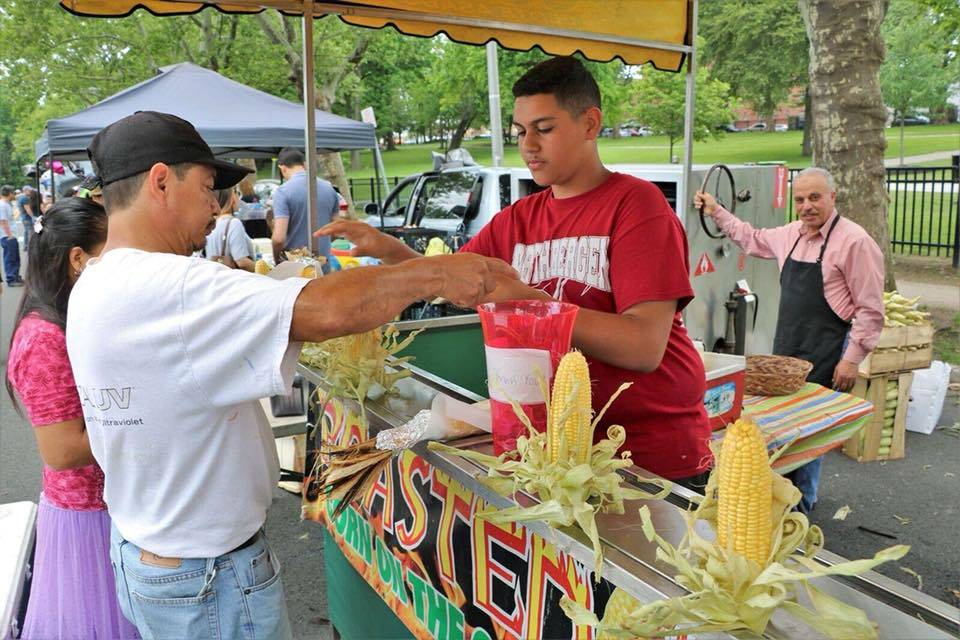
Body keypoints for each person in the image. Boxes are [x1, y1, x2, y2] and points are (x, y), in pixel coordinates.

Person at [67, 111, 515, 640]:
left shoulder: (96, 281)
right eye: (208, 187)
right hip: (207, 580)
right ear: (161, 181)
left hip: (148, 553)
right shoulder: (173, 286)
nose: (216, 205)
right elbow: (324, 312)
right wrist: (435, 272)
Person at [318, 56, 712, 487]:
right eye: (521, 131)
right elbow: (450, 279)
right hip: (556, 458)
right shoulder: (517, 219)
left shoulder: (637, 206)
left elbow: (643, 346)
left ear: (590, 124)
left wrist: (530, 303)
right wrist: (388, 249)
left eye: (544, 129)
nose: (529, 145)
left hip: (650, 456)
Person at [694, 166, 885, 513]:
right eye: (799, 199)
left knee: (810, 428)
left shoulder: (855, 242)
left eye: (815, 197)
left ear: (832, 197)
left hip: (828, 348)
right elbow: (750, 238)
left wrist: (852, 358)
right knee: (785, 425)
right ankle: (780, 498)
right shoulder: (791, 234)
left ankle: (802, 504)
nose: (807, 206)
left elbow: (870, 309)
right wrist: (716, 211)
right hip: (788, 345)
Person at [6, 197, 139, 640]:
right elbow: (61, 451)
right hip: (87, 520)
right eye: (112, 253)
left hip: (104, 509)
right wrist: (148, 417)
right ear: (78, 259)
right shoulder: (44, 337)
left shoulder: (69, 318)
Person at [272, 147, 338, 269]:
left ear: (282, 167)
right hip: (323, 267)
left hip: (295, 270)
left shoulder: (283, 192)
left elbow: (279, 238)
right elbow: (336, 230)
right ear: (304, 164)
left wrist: (277, 261)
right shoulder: (329, 189)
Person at [206, 188, 256, 271]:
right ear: (232, 197)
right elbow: (241, 261)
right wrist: (266, 271)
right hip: (235, 279)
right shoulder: (234, 223)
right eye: (237, 194)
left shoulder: (213, 222)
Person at [0, 185, 23, 286]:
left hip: (11, 235)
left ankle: (16, 276)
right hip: (7, 236)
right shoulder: (2, 205)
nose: (14, 195)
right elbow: (3, 221)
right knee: (10, 258)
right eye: (13, 193)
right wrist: (9, 235)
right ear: (9, 193)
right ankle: (11, 278)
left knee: (15, 257)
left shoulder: (6, 204)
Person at [16, 185, 38, 249]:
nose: (31, 192)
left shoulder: (21, 197)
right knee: (30, 233)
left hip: (24, 217)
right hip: (27, 218)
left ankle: (26, 246)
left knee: (26, 232)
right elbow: (28, 209)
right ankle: (30, 247)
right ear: (25, 191)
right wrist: (33, 217)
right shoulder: (25, 198)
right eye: (29, 190)